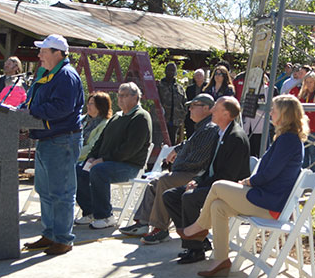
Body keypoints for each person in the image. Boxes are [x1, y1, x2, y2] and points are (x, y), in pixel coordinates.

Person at [179, 94, 305, 278]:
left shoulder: (288, 140)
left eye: (274, 110)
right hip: (266, 198)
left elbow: (269, 174)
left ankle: (199, 227)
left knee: (219, 186)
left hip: (271, 204)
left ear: (285, 114)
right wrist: (248, 183)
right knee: (218, 206)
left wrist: (247, 182)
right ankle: (221, 261)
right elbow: (268, 171)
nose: (270, 113)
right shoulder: (285, 138)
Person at [162, 96, 251, 265]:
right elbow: (209, 167)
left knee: (189, 197)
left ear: (225, 114)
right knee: (170, 196)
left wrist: (200, 185)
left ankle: (195, 249)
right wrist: (196, 180)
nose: (211, 111)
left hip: (229, 190)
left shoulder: (236, 137)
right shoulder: (220, 133)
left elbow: (227, 176)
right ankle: (199, 241)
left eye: (215, 109)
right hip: (213, 184)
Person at [122, 93, 220, 243]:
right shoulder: (202, 127)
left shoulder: (210, 128)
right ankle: (142, 223)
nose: (190, 110)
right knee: (154, 184)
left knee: (165, 181)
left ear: (207, 108)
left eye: (194, 106)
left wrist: (175, 166)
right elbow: (189, 144)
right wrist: (177, 150)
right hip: (187, 172)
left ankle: (160, 229)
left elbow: (197, 161)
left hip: (197, 176)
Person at [22, 34, 86, 256]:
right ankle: (50, 235)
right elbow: (37, 103)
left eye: (44, 50)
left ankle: (63, 239)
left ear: (57, 53)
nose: (39, 54)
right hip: (49, 138)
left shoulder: (66, 76)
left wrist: (29, 114)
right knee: (46, 190)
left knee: (61, 192)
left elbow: (61, 108)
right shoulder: (52, 74)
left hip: (61, 139)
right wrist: (22, 113)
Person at [75, 82, 151, 229]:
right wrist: (91, 157)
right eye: (119, 95)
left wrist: (103, 159)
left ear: (135, 97)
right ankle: (90, 212)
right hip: (107, 161)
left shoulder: (140, 117)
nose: (120, 99)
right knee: (79, 170)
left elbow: (130, 149)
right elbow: (101, 140)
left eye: (124, 95)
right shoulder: (117, 117)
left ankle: (106, 216)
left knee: (99, 171)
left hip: (129, 165)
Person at [157, 62, 187, 145]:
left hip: (175, 122)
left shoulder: (179, 88)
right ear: (165, 71)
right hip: (162, 121)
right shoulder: (159, 86)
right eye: (169, 70)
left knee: (172, 144)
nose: (171, 72)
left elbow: (184, 103)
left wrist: (181, 115)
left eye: (173, 70)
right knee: (160, 144)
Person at [78, 92, 111, 163]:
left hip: (88, 160)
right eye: (88, 103)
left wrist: (72, 154)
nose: (88, 106)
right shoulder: (82, 119)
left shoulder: (105, 125)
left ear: (100, 106)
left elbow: (91, 147)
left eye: (91, 103)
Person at [184, 69, 207, 137]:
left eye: (200, 75)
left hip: (204, 113)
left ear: (204, 77)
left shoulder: (208, 87)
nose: (198, 77)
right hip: (192, 113)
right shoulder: (189, 88)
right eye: (197, 75)